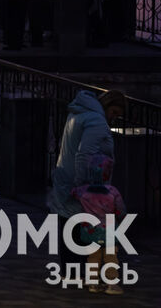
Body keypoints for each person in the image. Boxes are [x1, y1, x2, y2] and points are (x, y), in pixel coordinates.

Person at [49, 89, 125, 264]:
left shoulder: (79, 112)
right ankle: (77, 272)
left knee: (68, 229)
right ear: (107, 105)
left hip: (65, 177)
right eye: (114, 112)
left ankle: (69, 271)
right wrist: (83, 186)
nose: (113, 118)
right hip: (80, 185)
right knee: (80, 234)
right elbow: (85, 154)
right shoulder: (97, 121)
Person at [72, 154, 126, 294]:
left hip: (90, 230)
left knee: (93, 257)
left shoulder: (83, 190)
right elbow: (121, 210)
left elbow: (72, 194)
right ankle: (111, 283)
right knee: (110, 257)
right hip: (109, 230)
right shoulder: (112, 191)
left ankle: (93, 282)